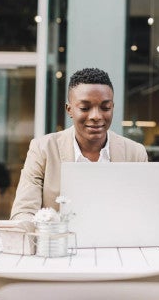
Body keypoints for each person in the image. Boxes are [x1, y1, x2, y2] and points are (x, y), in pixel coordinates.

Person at [10, 68, 148, 221]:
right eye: (84, 108)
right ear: (69, 110)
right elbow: (23, 212)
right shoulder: (43, 149)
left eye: (105, 107)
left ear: (112, 108)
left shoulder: (135, 153)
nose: (96, 116)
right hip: (60, 242)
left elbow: (143, 212)